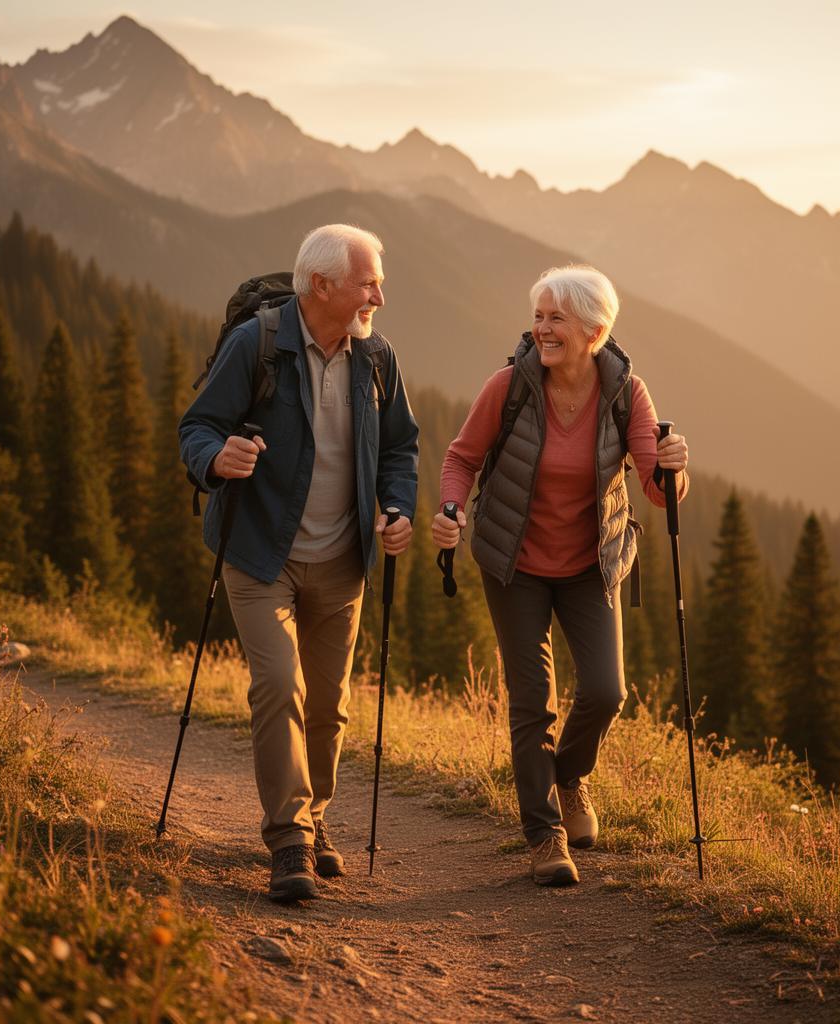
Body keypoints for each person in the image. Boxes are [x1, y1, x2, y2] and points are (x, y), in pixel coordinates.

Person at [180, 224, 418, 902]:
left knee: (329, 706)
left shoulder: (377, 358)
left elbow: (401, 446)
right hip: (260, 554)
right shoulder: (256, 345)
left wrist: (397, 508)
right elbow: (197, 425)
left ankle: (313, 819)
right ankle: (288, 840)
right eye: (368, 283)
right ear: (321, 287)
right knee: (279, 685)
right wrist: (214, 459)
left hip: (343, 559)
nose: (379, 296)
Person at [432, 264, 688, 886]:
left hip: (587, 565)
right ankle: (545, 836)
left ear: (594, 330)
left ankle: (568, 778)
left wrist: (676, 470)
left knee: (606, 691)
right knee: (532, 704)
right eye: (538, 316)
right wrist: (450, 509)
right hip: (513, 562)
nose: (542, 330)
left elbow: (656, 491)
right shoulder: (510, 386)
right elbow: (461, 457)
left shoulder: (628, 394)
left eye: (556, 319)